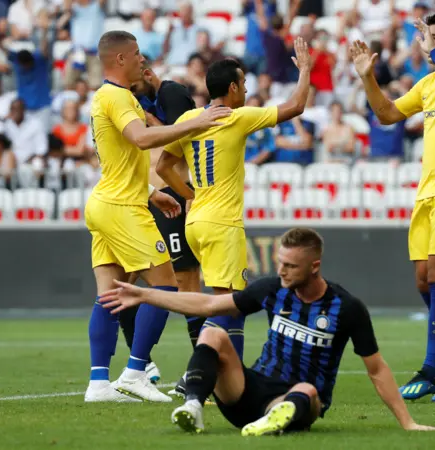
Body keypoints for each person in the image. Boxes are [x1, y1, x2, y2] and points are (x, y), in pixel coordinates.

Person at [98, 227, 435, 435]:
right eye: (280, 262)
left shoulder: (347, 308)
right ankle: (193, 406)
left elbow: (377, 367)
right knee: (215, 331)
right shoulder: (271, 288)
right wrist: (144, 294)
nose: (282, 270)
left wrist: (407, 423)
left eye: (290, 266)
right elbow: (207, 305)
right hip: (247, 391)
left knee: (309, 391)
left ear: (314, 267)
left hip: (296, 401)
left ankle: (271, 422)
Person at [83, 30, 231, 403]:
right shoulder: (117, 97)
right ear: (120, 59)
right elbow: (142, 139)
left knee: (111, 295)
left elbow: (119, 159)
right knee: (165, 285)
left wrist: (151, 192)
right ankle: (136, 372)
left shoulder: (105, 97)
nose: (141, 61)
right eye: (136, 55)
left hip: (106, 200)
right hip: (122, 207)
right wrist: (196, 122)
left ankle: (99, 383)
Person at [350, 12, 435, 402]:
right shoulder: (428, 85)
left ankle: (430, 370)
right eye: (426, 37)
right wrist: (367, 77)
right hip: (428, 191)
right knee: (425, 280)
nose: (427, 41)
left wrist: (434, 56)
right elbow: (387, 114)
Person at [155, 38, 313, 372]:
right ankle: (214, 378)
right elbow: (296, 106)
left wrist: (190, 196)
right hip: (222, 224)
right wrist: (306, 71)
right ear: (232, 87)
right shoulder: (236, 117)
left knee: (220, 304)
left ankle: (222, 377)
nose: (245, 89)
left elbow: (163, 167)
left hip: (195, 223)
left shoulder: (191, 118)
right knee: (229, 306)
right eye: (242, 83)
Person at [121, 60, 204, 387]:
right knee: (121, 283)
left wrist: (154, 124)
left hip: (170, 193)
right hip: (140, 197)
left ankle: (200, 368)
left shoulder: (170, 93)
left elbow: (187, 139)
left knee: (185, 282)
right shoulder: (122, 102)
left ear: (147, 75)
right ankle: (140, 366)